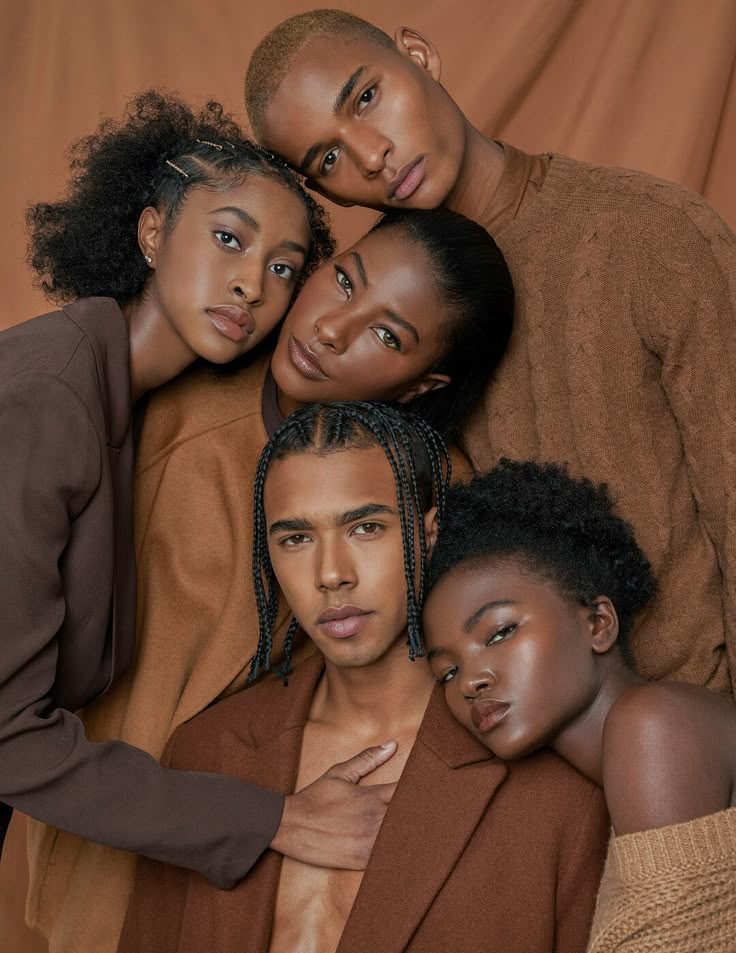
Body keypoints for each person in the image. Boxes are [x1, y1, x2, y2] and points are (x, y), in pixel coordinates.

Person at [25, 205, 514, 951]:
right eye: (343, 281)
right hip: (96, 859)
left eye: (387, 334)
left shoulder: (444, 499)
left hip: (296, 877)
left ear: (422, 385)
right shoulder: (168, 417)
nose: (330, 329)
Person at [245, 8, 736, 697]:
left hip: (696, 732)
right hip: (537, 754)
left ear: (417, 53)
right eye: (327, 159)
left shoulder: (648, 232)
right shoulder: (375, 340)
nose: (371, 156)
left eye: (366, 98)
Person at [0, 83, 414, 900]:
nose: (251, 286)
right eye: (229, 238)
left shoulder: (116, 395)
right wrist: (279, 819)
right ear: (153, 232)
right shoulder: (45, 402)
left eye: (283, 268)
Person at [118, 402, 609, 953]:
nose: (331, 575)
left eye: (366, 527)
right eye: (296, 539)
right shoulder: (207, 753)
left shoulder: (557, 790)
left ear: (428, 534)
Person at [422, 459, 736, 951]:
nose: (471, 682)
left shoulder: (653, 723)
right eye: (447, 671)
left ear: (597, 624)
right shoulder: (614, 773)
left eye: (500, 631)